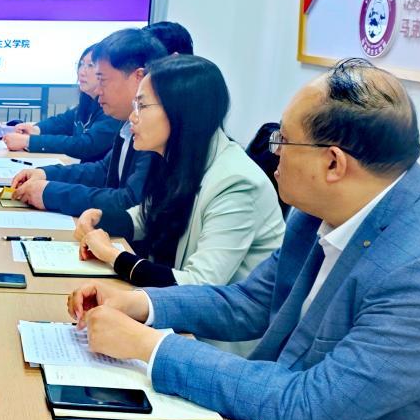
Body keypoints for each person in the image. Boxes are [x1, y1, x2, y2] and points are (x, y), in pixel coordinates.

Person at [68, 58, 420, 420]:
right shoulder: (320, 210)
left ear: (333, 162)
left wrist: (151, 348)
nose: (273, 154)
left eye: (282, 142)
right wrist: (144, 305)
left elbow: (307, 409)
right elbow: (248, 302)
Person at [73, 54, 284, 288]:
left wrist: (112, 254)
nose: (133, 117)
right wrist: (101, 218)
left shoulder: (236, 183)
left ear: (182, 112)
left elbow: (200, 284)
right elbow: (149, 215)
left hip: (220, 309)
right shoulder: (179, 157)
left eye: (142, 106)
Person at [12, 28, 166, 215]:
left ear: (138, 78)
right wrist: (46, 174)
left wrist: (50, 193)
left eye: (103, 80)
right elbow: (103, 170)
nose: (98, 90)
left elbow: (129, 201)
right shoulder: (127, 120)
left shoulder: (156, 132)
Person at [2, 43, 119, 159]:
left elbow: (86, 144)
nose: (82, 72)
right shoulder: (88, 100)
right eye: (81, 64)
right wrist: (36, 130)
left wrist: (29, 141)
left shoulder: (113, 108)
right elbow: (63, 122)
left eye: (90, 65)